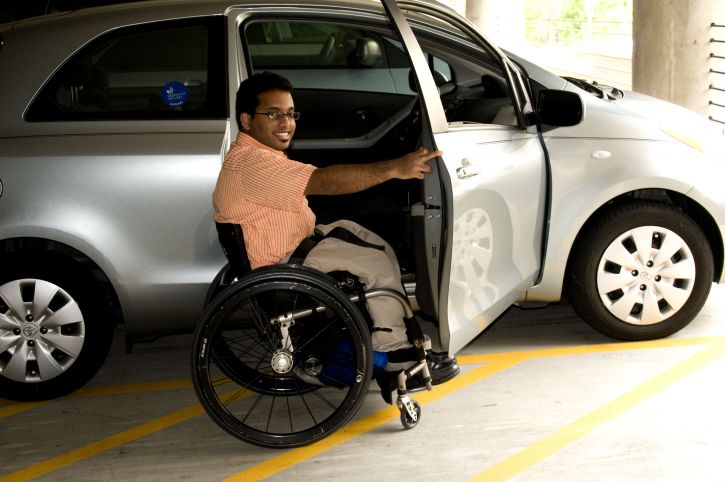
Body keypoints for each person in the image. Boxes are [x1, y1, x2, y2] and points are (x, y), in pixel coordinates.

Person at [212, 72, 458, 402]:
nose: (286, 122)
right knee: (375, 263)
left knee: (374, 241)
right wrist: (393, 169)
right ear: (246, 120)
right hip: (286, 263)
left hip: (294, 244)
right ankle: (394, 353)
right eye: (273, 113)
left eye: (290, 113)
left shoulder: (251, 155)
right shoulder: (254, 165)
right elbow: (324, 181)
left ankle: (384, 331)